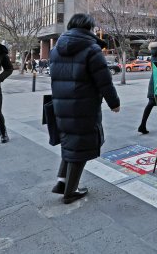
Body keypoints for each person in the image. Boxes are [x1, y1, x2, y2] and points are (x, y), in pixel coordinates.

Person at [49, 13, 121, 204]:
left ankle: (62, 181)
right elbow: (104, 80)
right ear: (89, 28)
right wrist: (114, 103)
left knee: (69, 141)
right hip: (84, 105)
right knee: (80, 146)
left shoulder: (56, 49)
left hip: (61, 104)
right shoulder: (91, 48)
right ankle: (70, 192)